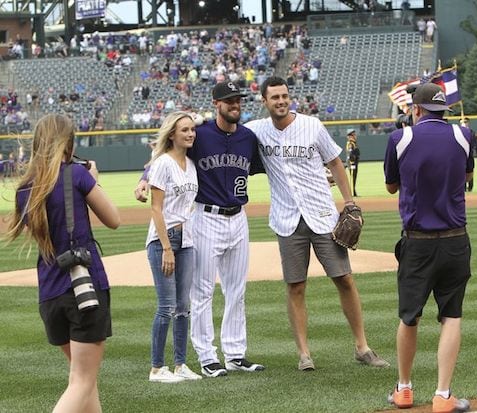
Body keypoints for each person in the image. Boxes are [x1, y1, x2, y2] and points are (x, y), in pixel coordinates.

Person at [245, 76, 388, 371]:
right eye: (275, 97)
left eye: (285, 96)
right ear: (265, 101)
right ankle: (304, 354)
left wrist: (349, 203)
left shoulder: (312, 125)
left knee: (344, 279)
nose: (281, 101)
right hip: (287, 220)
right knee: (295, 286)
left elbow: (335, 161)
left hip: (323, 216)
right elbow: (225, 135)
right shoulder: (256, 131)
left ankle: (362, 347)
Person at [135, 82, 265, 378]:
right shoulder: (200, 133)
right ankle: (207, 356)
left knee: (237, 289)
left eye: (238, 100)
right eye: (229, 100)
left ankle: (235, 354)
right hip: (206, 218)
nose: (235, 104)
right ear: (216, 103)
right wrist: (145, 177)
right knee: (203, 290)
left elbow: (269, 165)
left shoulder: (247, 137)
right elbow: (165, 152)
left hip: (239, 217)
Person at [5, 114, 120, 412]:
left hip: (50, 294)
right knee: (82, 381)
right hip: (83, 290)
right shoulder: (77, 175)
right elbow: (114, 220)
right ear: (68, 142)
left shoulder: (25, 189)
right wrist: (95, 181)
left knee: (84, 380)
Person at [383, 83, 474, 411]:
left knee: (409, 317)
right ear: (443, 109)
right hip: (455, 239)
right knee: (451, 316)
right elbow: (466, 176)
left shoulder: (400, 139)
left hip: (417, 242)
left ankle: (404, 389)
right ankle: (443, 395)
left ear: (415, 109)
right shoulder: (464, 136)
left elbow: (392, 186)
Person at [145, 111, 202, 383]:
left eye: (192, 129)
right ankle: (157, 368)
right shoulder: (163, 164)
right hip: (163, 240)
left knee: (183, 306)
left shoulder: (191, 164)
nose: (190, 134)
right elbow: (156, 209)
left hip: (187, 240)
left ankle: (180, 364)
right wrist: (167, 248)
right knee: (166, 306)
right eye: (184, 130)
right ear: (172, 134)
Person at [460, 117, 476, 192]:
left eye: (466, 122)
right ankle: (463, 188)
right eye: (463, 122)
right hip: (461, 155)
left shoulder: (471, 132)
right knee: (461, 172)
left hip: (469, 154)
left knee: (470, 169)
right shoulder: (458, 132)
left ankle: (470, 188)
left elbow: (472, 141)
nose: (464, 123)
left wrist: (466, 131)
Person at [345, 128, 361, 197]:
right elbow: (350, 154)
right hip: (352, 163)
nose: (355, 136)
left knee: (354, 177)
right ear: (350, 136)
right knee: (352, 178)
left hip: (354, 162)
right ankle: (351, 193)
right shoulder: (351, 143)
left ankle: (353, 192)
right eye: (353, 135)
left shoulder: (353, 143)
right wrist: (352, 163)